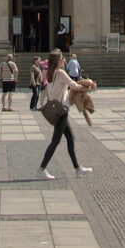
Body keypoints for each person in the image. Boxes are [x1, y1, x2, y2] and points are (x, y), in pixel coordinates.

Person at [36, 50, 87, 178]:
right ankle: (41, 170)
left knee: (70, 138)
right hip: (61, 110)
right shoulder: (60, 73)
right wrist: (86, 86)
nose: (64, 60)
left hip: (57, 109)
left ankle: (77, 168)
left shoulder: (50, 73)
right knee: (55, 141)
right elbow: (73, 84)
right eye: (62, 58)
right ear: (58, 61)